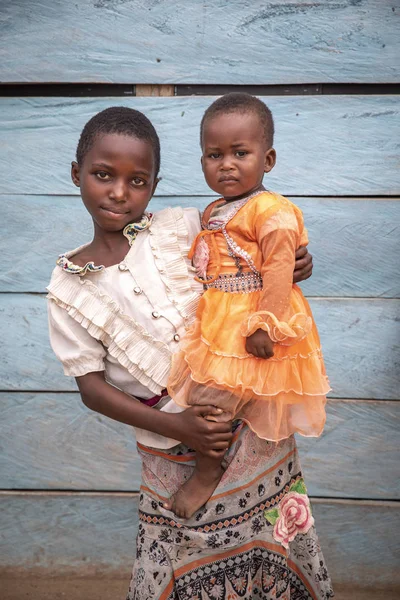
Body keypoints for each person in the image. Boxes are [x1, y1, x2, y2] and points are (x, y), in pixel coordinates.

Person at [47, 106, 333, 599]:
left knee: (271, 540)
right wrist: (180, 428)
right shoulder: (67, 286)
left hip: (248, 416)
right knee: (175, 549)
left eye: (137, 180)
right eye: (102, 175)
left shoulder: (178, 229)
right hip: (168, 440)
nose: (119, 192)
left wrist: (292, 266)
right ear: (77, 174)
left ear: (154, 185)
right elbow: (91, 389)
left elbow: (251, 254)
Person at [166, 93, 331, 521]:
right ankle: (227, 469)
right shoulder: (216, 209)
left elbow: (279, 269)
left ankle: (207, 473)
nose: (227, 164)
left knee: (213, 402)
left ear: (268, 159)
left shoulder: (271, 210)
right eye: (214, 154)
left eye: (241, 153)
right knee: (209, 401)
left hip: (252, 318)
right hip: (221, 316)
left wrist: (265, 324)